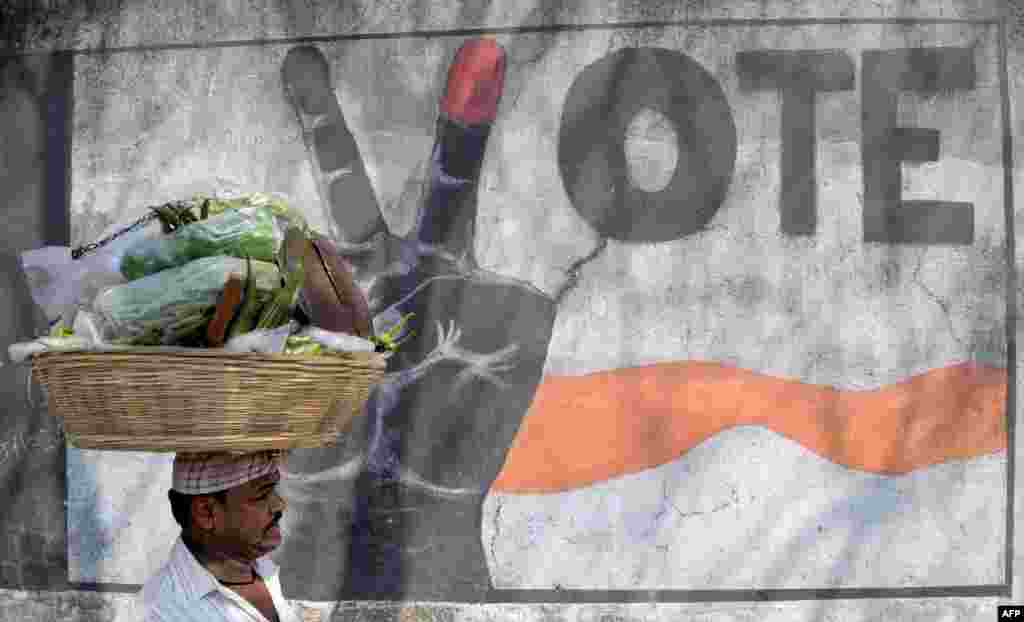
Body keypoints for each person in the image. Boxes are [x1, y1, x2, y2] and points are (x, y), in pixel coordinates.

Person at [139, 450, 296, 622]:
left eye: (274, 490)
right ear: (205, 512)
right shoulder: (161, 610)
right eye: (262, 495)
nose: (279, 505)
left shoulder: (269, 569)